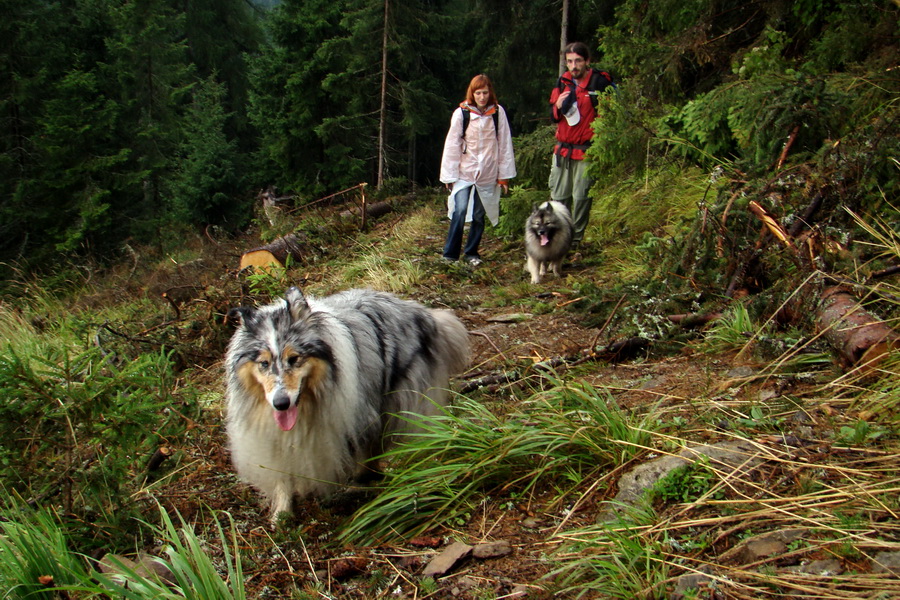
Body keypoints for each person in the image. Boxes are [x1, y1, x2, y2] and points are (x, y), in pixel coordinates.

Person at [440, 73, 516, 265]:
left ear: (490, 93)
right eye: (478, 93)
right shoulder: (462, 113)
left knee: (479, 216)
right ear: (472, 94)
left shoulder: (498, 113)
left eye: (485, 93)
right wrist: (449, 175)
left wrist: (504, 175)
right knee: (460, 209)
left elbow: (504, 144)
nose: (482, 97)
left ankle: (472, 253)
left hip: (488, 173)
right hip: (464, 172)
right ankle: (450, 254)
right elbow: (452, 144)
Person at [548, 42, 613, 249]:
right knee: (559, 198)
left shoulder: (599, 83)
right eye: (569, 61)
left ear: (587, 61)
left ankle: (574, 242)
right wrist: (558, 106)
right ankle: (558, 241)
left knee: (581, 197)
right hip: (563, 150)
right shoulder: (562, 82)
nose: (573, 66)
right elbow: (553, 116)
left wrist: (601, 146)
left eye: (577, 61)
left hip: (587, 151)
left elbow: (610, 116)